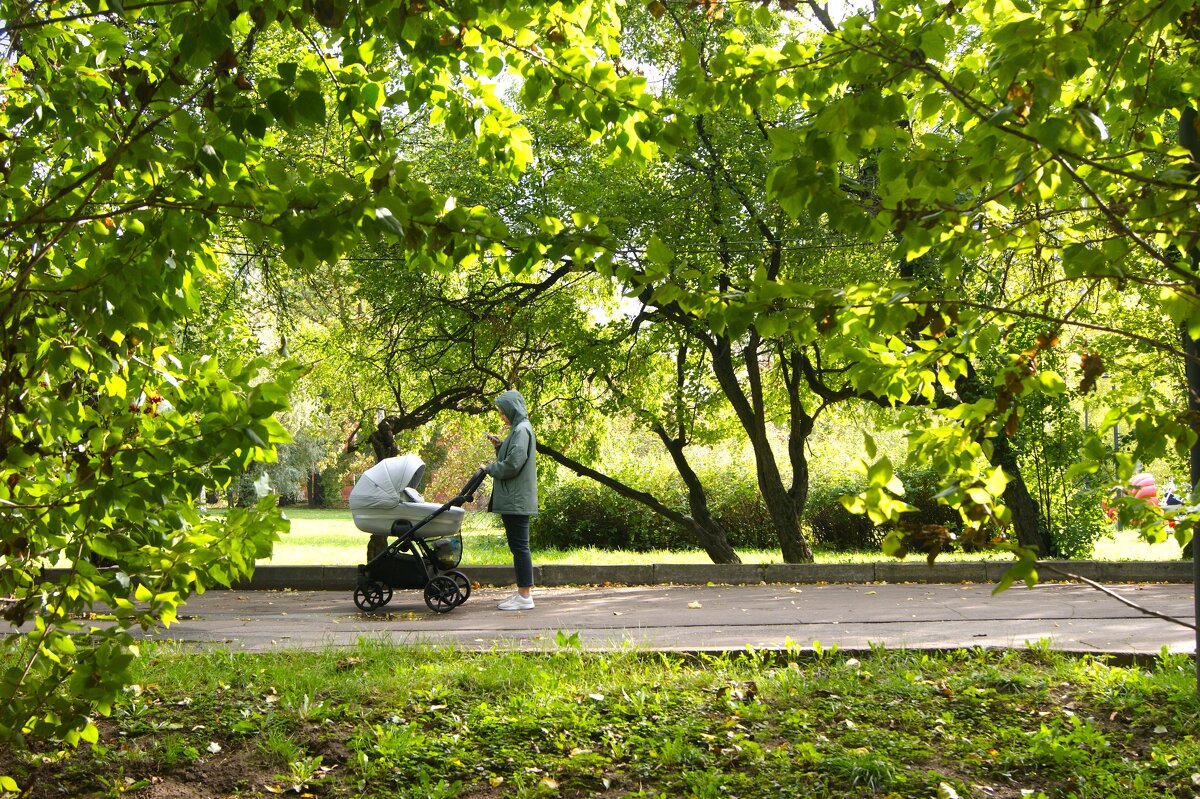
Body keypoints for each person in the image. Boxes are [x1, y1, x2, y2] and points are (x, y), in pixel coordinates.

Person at [483, 389, 538, 610]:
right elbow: (513, 456)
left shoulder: (522, 430)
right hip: (515, 498)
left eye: (503, 412)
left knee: (520, 547)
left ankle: (525, 596)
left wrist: (489, 468)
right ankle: (522, 594)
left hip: (516, 500)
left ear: (512, 410)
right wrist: (499, 447)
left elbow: (513, 464)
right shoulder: (518, 429)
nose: (501, 416)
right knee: (518, 547)